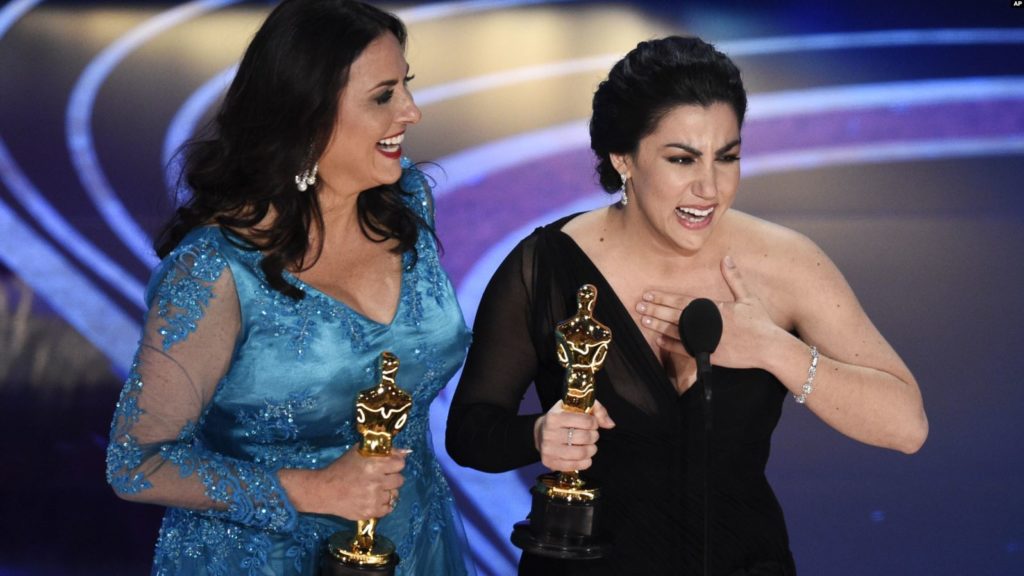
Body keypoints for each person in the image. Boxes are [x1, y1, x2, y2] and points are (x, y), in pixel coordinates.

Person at [446, 35, 928, 575]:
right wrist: (538, 434)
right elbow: (469, 432)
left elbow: (906, 426)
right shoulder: (545, 265)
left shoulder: (786, 263)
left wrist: (774, 350)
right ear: (622, 158)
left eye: (729, 157)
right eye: (682, 159)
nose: (710, 188)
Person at [105, 1, 473, 574]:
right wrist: (314, 489)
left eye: (407, 86)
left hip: (413, 543)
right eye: (384, 95)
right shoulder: (214, 268)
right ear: (307, 116)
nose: (413, 111)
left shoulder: (408, 202)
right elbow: (136, 462)